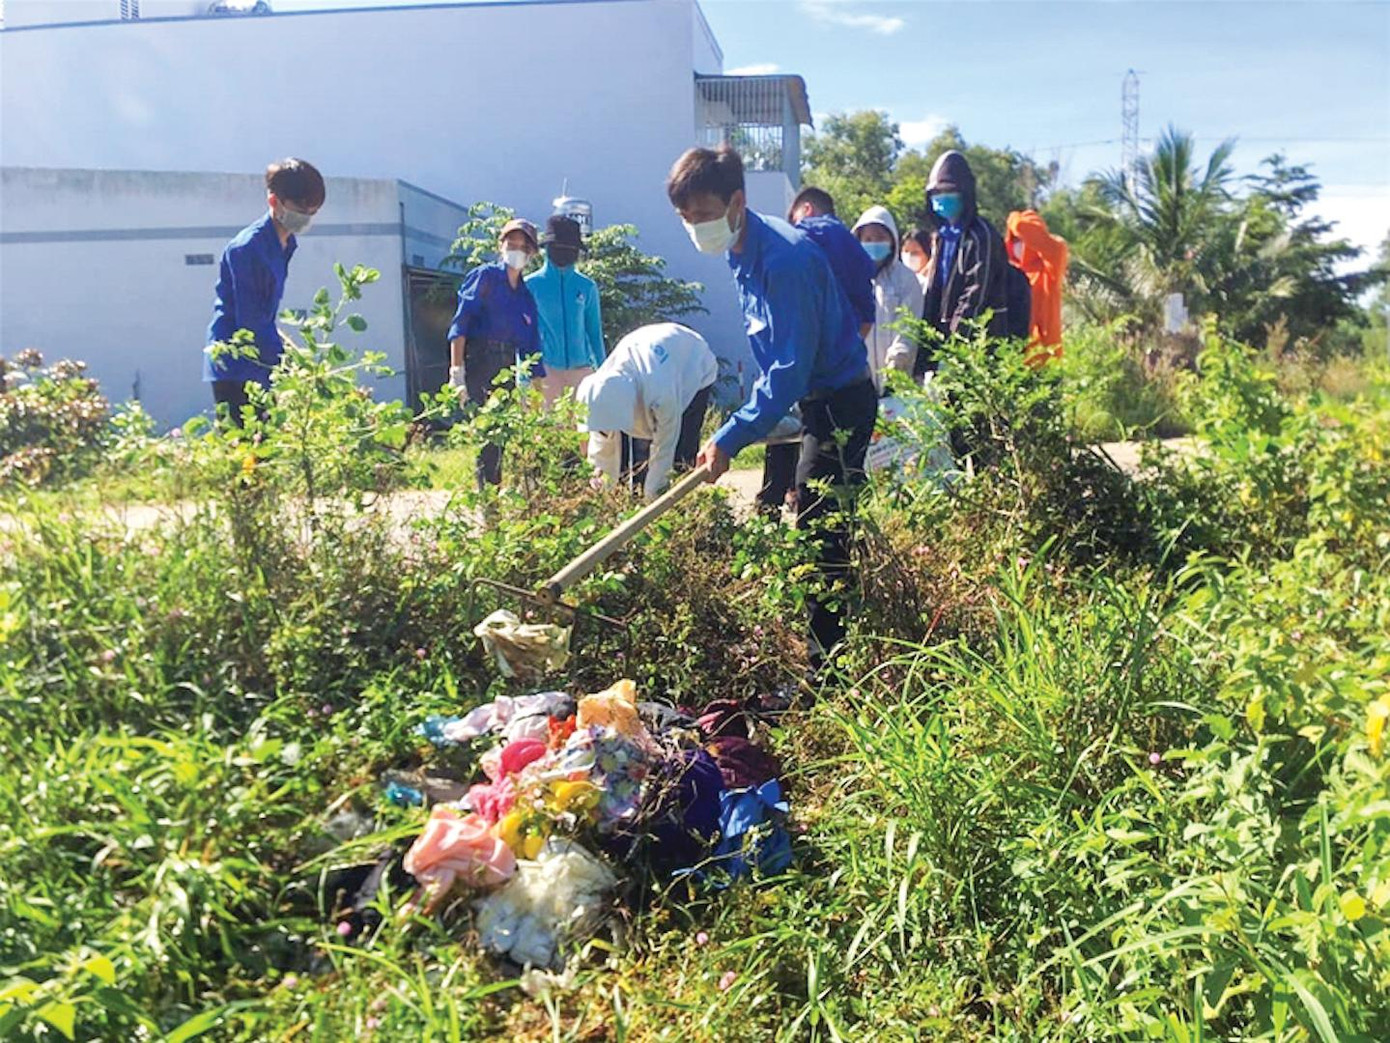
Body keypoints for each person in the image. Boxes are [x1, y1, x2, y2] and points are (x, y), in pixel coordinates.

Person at [667, 145, 877, 675]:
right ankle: (826, 649)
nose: (696, 228)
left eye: (704, 215)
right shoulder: (742, 249)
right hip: (811, 398)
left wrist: (731, 436)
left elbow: (789, 369)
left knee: (818, 526)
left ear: (736, 200)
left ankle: (828, 672)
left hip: (840, 400)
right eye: (686, 219)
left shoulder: (785, 259)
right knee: (807, 516)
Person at [757, 186, 877, 515]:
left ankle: (821, 565)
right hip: (853, 389)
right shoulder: (851, 248)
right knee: (841, 495)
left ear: (806, 209)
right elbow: (866, 320)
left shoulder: (815, 231)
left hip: (827, 393)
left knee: (814, 499)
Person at [204, 157, 326, 423]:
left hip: (262, 358)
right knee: (246, 451)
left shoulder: (286, 243)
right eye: (302, 210)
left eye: (313, 212)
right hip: (236, 362)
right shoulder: (247, 249)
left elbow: (265, 314)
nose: (306, 217)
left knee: (268, 447)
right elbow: (251, 321)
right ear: (274, 201)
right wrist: (291, 364)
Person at [447, 218, 544, 489]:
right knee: (488, 437)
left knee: (504, 438)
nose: (516, 249)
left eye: (523, 246)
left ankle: (499, 499)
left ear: (532, 254)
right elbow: (460, 324)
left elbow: (532, 348)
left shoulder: (525, 296)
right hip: (480, 362)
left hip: (506, 369)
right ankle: (488, 505)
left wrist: (536, 395)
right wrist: (457, 373)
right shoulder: (486, 277)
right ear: (500, 245)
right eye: (510, 242)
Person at [576, 322, 718, 500]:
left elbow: (664, 448)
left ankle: (680, 509)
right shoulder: (601, 388)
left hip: (693, 363)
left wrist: (653, 499)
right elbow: (602, 445)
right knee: (632, 462)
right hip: (651, 353)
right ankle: (631, 500)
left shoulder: (661, 395)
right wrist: (601, 489)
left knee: (680, 457)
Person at [918, 150, 1010, 376]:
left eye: (949, 191)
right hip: (942, 339)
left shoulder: (980, 235)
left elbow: (975, 294)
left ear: (965, 193)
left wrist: (956, 347)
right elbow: (935, 291)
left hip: (979, 345)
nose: (941, 197)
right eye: (936, 192)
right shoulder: (942, 236)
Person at [525, 215, 606, 405]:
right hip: (545, 372)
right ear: (548, 248)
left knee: (584, 432)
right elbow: (524, 336)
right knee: (547, 432)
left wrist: (604, 372)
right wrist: (525, 375)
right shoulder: (531, 286)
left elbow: (595, 332)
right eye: (560, 247)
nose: (566, 253)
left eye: (571, 249)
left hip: (582, 372)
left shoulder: (586, 286)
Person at [851, 205, 924, 391]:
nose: (874, 243)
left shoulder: (906, 279)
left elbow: (908, 328)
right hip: (856, 383)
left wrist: (894, 372)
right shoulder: (848, 277)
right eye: (868, 238)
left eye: (881, 237)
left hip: (895, 384)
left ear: (892, 241)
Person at [1005, 209, 1070, 364]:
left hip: (1044, 357)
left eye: (1022, 240)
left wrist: (1014, 220)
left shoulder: (1050, 269)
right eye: (1015, 241)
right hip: (1014, 359)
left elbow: (1052, 246)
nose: (1019, 245)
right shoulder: (1009, 272)